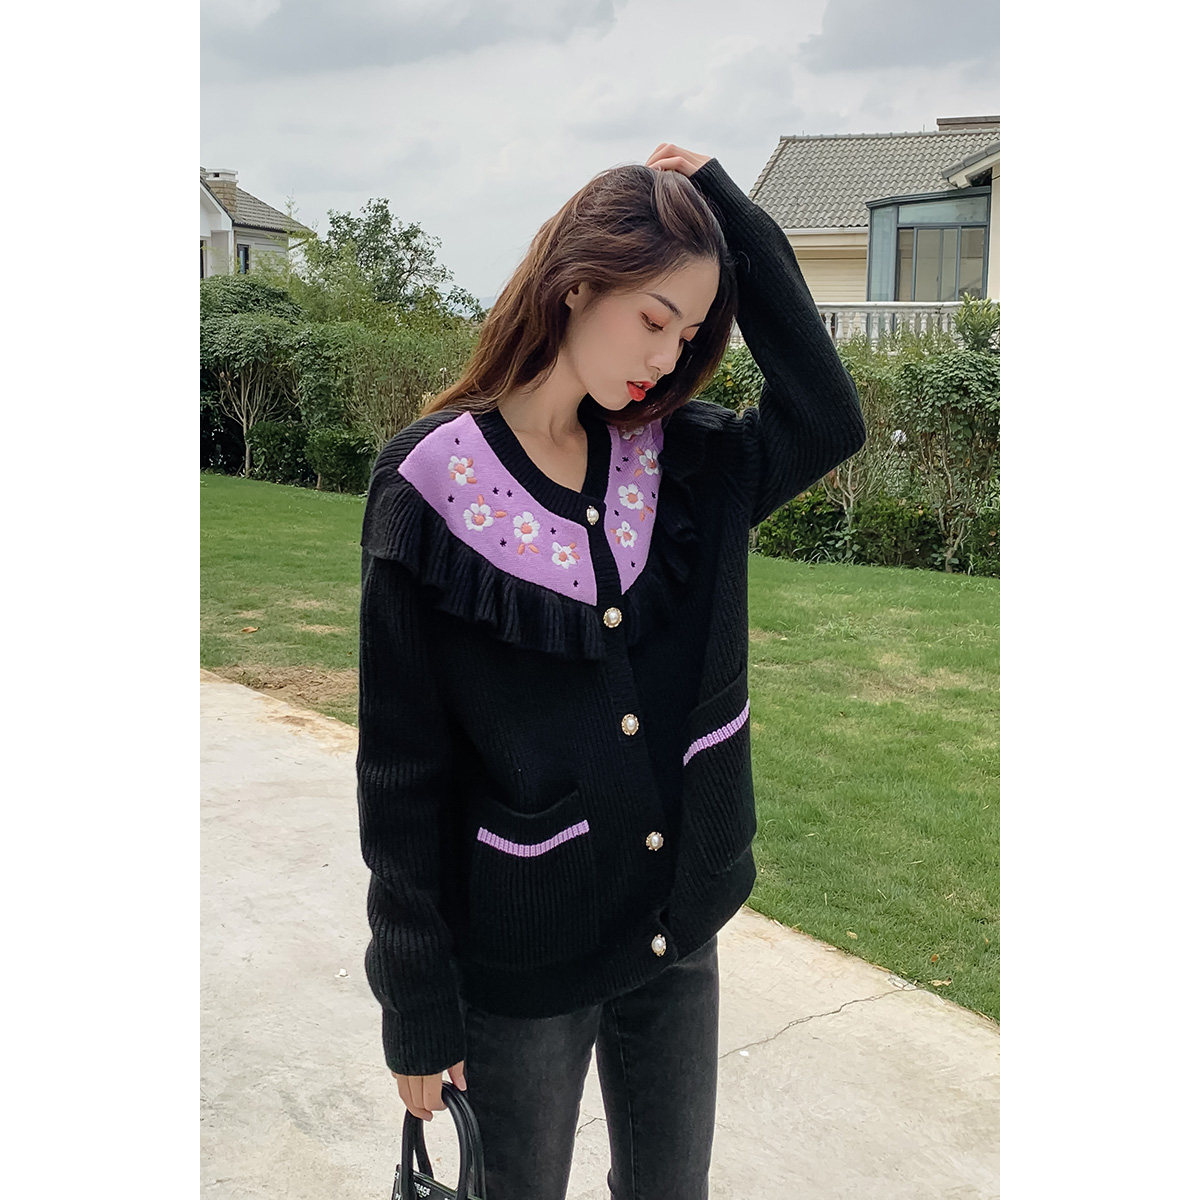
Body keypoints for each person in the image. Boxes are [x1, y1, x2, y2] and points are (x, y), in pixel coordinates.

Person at [356, 142, 867, 1199]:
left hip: (677, 933)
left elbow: (827, 416)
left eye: (690, 335)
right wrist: (416, 1002)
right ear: (579, 283)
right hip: (523, 954)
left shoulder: (687, 464)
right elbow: (401, 771)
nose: (668, 358)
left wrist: (723, 209)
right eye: (654, 319)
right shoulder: (429, 488)